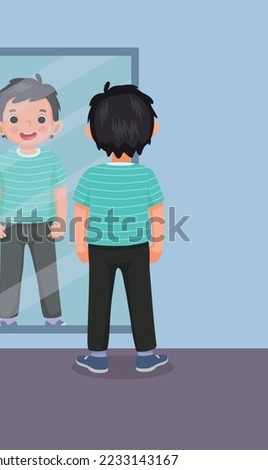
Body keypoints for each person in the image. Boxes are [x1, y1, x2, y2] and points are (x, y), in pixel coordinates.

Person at [74, 82, 168, 373]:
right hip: (137, 248)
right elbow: (157, 213)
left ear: (92, 133)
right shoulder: (147, 176)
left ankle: (97, 357)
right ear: (151, 130)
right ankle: (146, 355)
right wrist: (158, 244)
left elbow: (81, 214)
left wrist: (80, 246)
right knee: (141, 300)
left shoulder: (91, 176)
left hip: (99, 248)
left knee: (98, 301)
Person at [0, 74, 67, 327]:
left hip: (44, 224)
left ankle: (53, 317)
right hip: (10, 225)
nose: (28, 126)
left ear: (55, 126)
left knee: (47, 272)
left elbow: (60, 192)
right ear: (0, 127)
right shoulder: (1, 162)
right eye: (14, 119)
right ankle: (7, 317)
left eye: (41, 118)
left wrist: (61, 221)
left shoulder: (52, 161)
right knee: (9, 273)